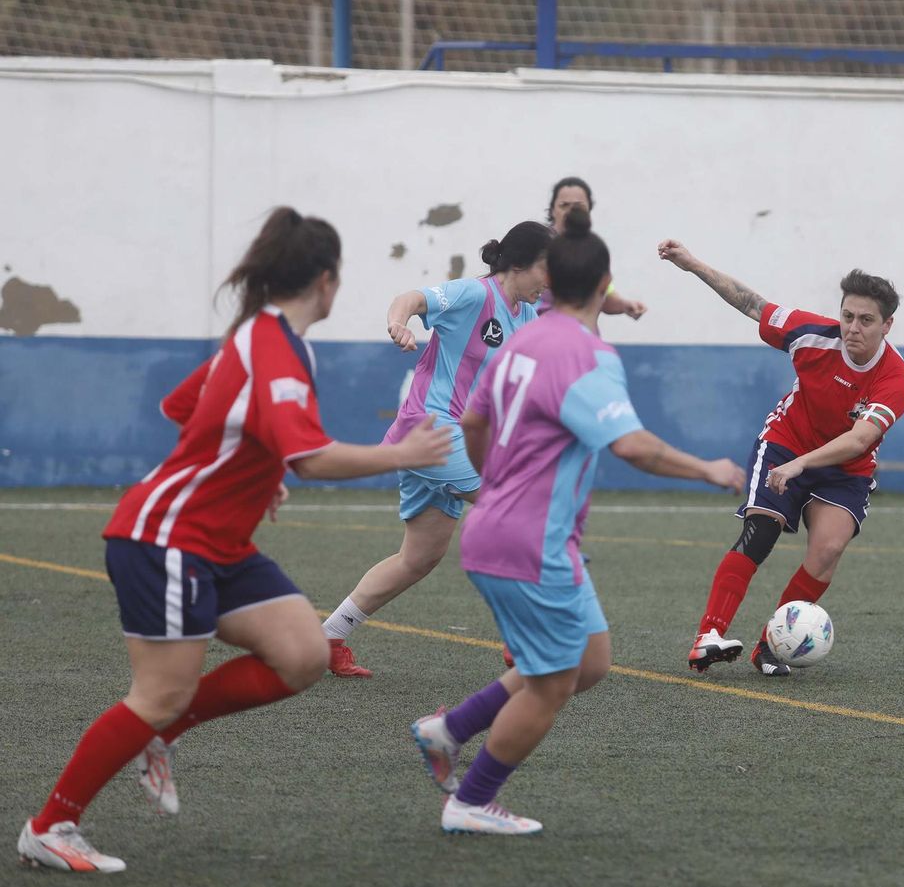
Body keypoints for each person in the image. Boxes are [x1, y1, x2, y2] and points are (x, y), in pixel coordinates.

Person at [16, 207, 453, 873]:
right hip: (165, 538)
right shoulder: (271, 345)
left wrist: (255, 466)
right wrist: (401, 452)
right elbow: (307, 455)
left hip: (216, 541)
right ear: (327, 281)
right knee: (159, 692)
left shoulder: (259, 337)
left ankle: (155, 737)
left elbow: (183, 406)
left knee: (303, 651)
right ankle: (49, 824)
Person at [406, 206, 743, 834]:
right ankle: (471, 800)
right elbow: (634, 446)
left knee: (589, 663)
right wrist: (709, 470)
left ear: (552, 282)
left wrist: (496, 479)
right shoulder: (587, 355)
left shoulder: (521, 336)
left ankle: (447, 730)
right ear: (603, 284)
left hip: (510, 534)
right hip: (529, 542)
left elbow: (473, 422)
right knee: (553, 681)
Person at [657, 239, 904, 677]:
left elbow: (858, 441)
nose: (853, 327)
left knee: (829, 548)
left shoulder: (896, 377)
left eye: (866, 320)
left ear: (888, 325)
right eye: (847, 315)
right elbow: (752, 304)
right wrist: (693, 264)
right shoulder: (810, 333)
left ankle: (771, 645)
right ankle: (708, 635)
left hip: (843, 467)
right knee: (762, 529)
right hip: (786, 441)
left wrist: (803, 465)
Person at [322, 221, 553, 677]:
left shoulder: (527, 316)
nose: (551, 281)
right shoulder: (473, 294)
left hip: (459, 441)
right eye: (548, 270)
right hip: (429, 430)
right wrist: (398, 323)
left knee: (419, 558)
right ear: (521, 264)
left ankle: (328, 636)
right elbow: (410, 299)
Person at [542, 176, 647, 320]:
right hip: (541, 333)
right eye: (564, 205)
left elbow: (605, 296)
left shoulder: (593, 250)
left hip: (582, 335)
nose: (570, 212)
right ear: (552, 210)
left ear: (589, 209)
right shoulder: (538, 245)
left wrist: (625, 305)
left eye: (578, 206)